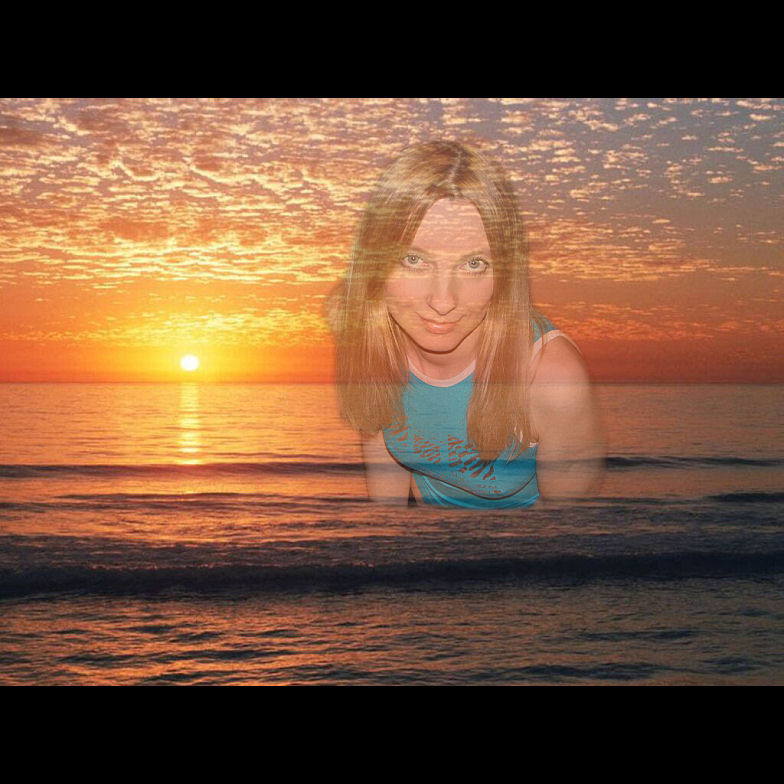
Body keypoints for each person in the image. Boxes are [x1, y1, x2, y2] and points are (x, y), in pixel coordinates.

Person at [329, 141, 604, 507]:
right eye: (413, 259)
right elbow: (382, 455)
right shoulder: (368, 336)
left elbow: (566, 528)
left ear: (505, 272)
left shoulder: (551, 376)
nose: (443, 301)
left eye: (474, 264)